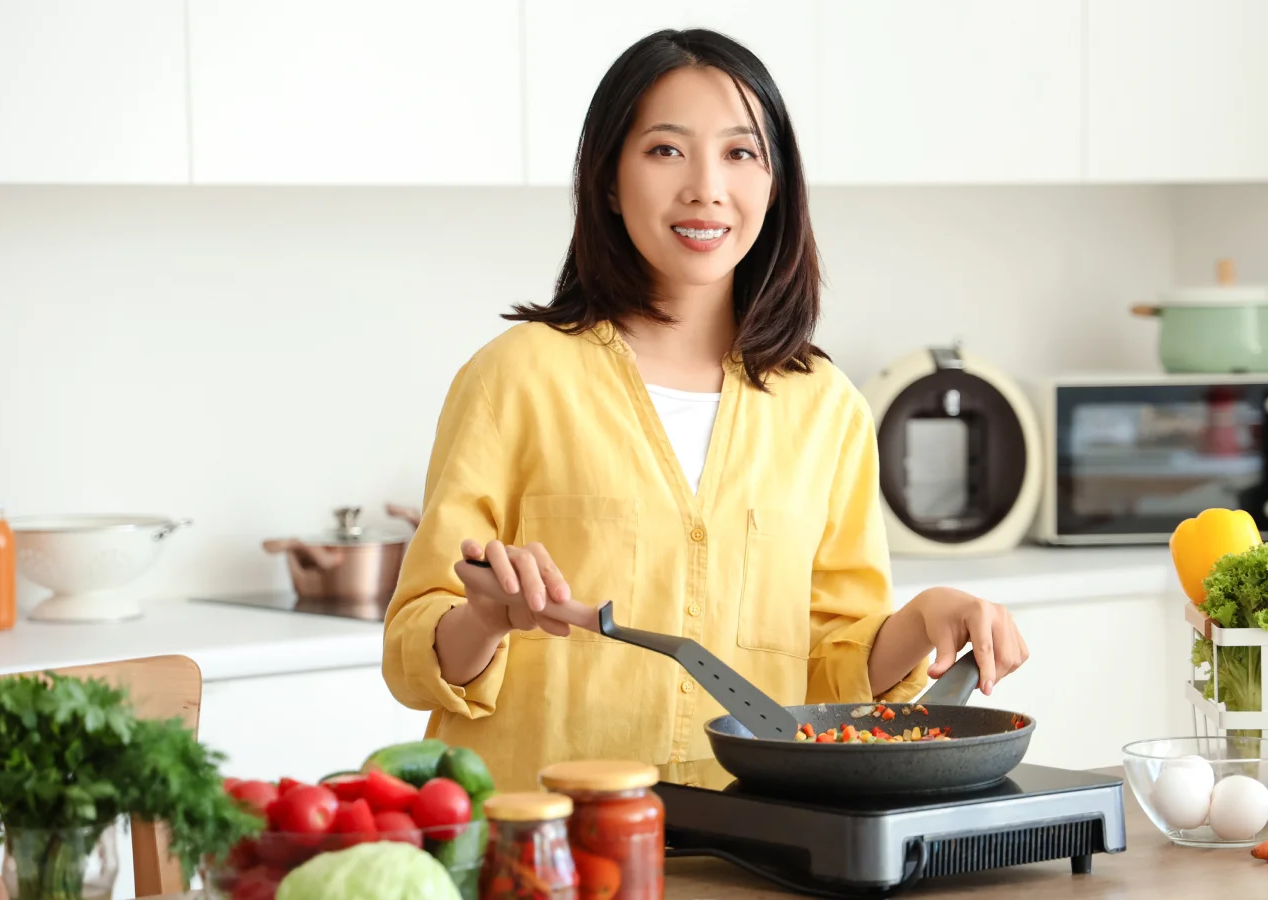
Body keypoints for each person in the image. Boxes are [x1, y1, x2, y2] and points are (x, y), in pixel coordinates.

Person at [381, 28, 1028, 791]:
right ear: (609, 182)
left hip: (752, 844)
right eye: (665, 150)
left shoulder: (827, 409)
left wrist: (922, 621)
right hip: (547, 843)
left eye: (740, 153)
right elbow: (411, 655)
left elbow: (834, 676)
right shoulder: (513, 379)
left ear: (776, 184)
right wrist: (487, 618)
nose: (705, 188)